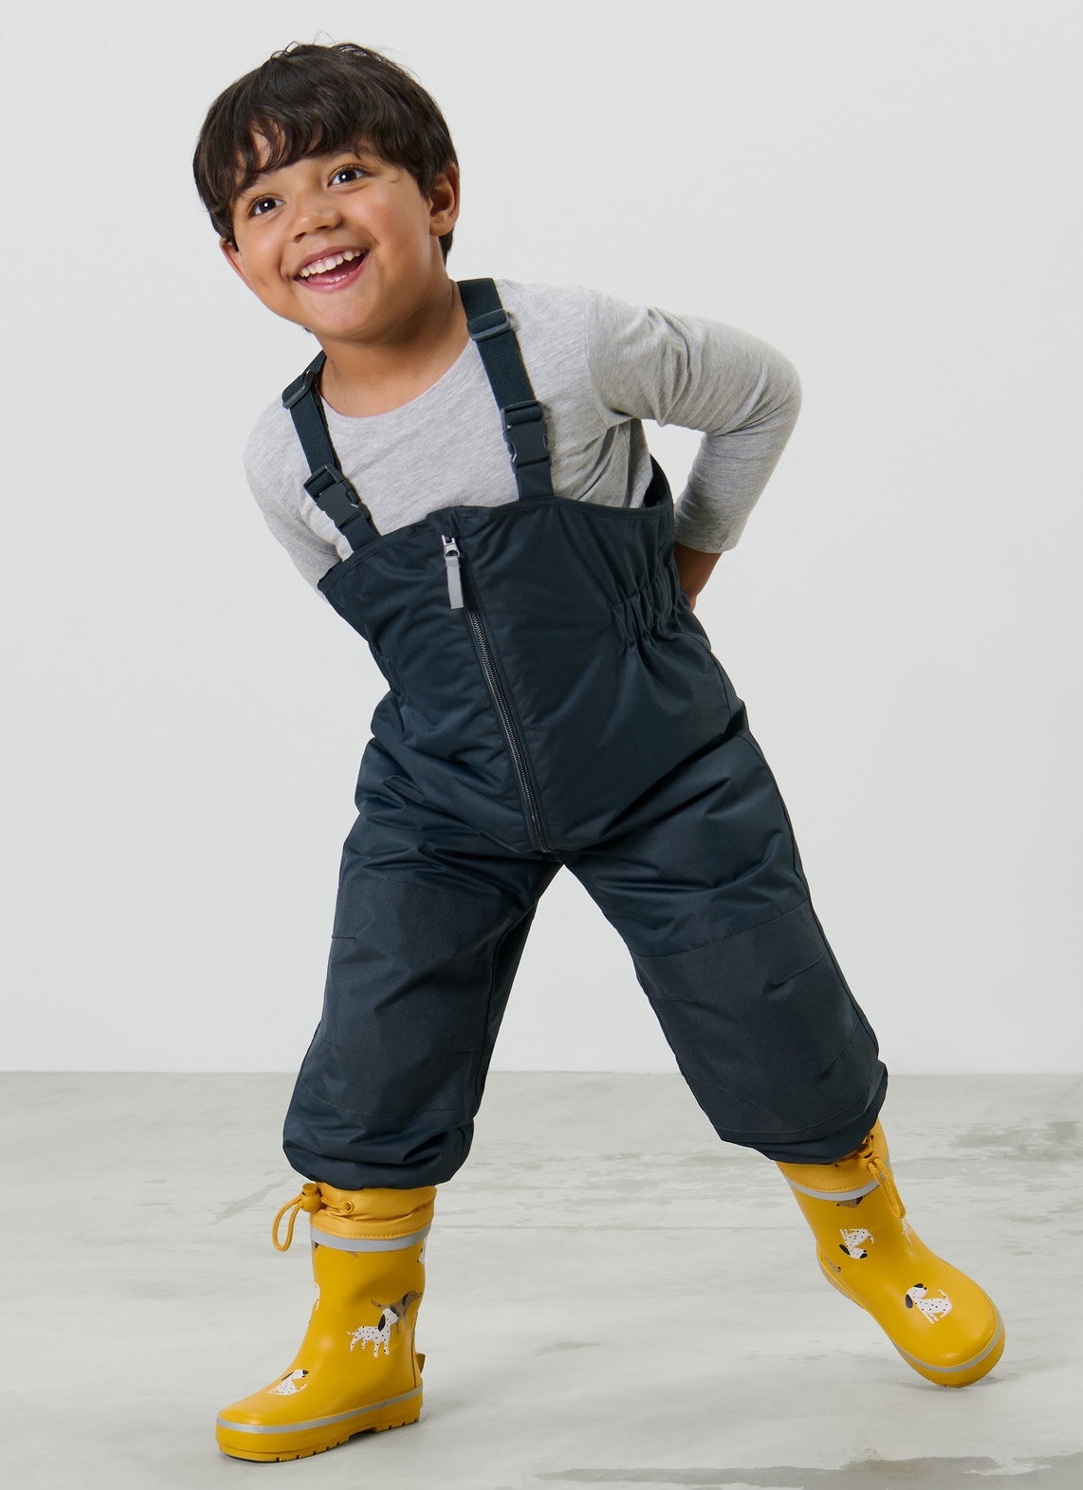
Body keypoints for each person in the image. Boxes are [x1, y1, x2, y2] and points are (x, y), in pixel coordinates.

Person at [192, 40, 1004, 1464]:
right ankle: (362, 1337)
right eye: (263, 203)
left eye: (346, 173)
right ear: (233, 259)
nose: (309, 216)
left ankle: (870, 1239)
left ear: (437, 195)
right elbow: (396, 633)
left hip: (662, 763)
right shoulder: (286, 461)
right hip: (440, 795)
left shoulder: (562, 340)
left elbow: (759, 391)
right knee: (376, 1049)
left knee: (775, 1012)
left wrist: (680, 566)